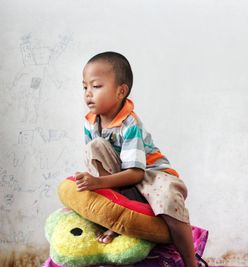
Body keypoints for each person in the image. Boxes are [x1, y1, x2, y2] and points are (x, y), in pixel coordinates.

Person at [74, 51, 197, 267]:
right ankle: (116, 218)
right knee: (94, 147)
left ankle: (191, 262)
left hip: (151, 174)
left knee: (168, 201)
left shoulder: (130, 124)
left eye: (96, 86)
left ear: (121, 91)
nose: (88, 94)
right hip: (120, 177)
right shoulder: (90, 122)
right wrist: (95, 182)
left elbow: (137, 173)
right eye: (85, 87)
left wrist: (99, 182)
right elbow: (98, 161)